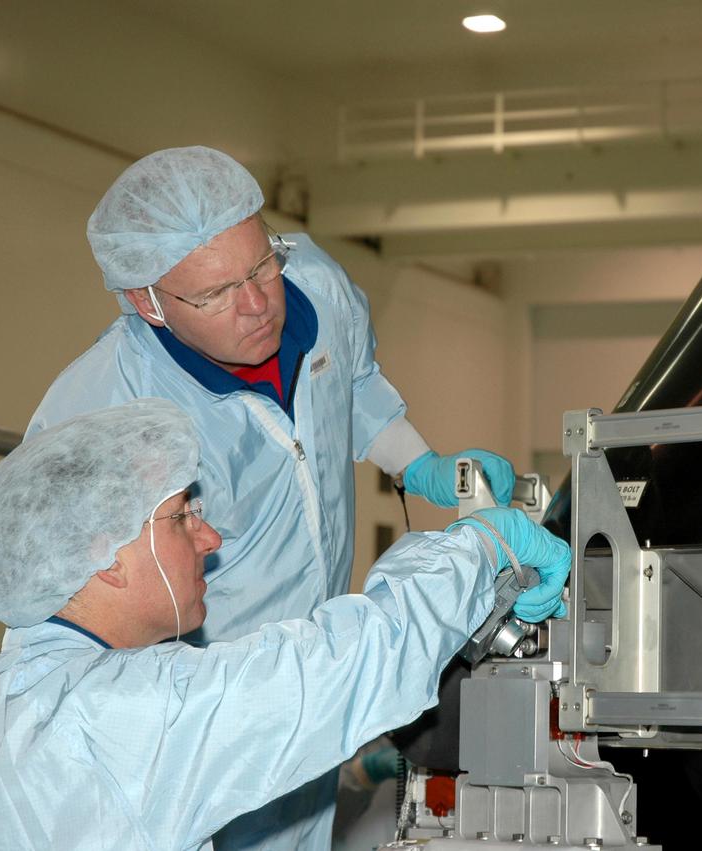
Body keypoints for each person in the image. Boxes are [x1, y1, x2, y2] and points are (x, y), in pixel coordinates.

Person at [28, 145, 537, 850]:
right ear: (143, 301)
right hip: (203, 707)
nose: (259, 303)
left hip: (320, 676)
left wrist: (421, 465)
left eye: (262, 264)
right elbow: (65, 608)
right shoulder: (105, 411)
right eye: (215, 295)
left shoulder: (317, 286)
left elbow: (351, 387)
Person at [0, 399, 571, 850]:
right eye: (181, 515)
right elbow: (338, 665)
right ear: (106, 558)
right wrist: (481, 547)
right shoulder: (117, 715)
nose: (209, 537)